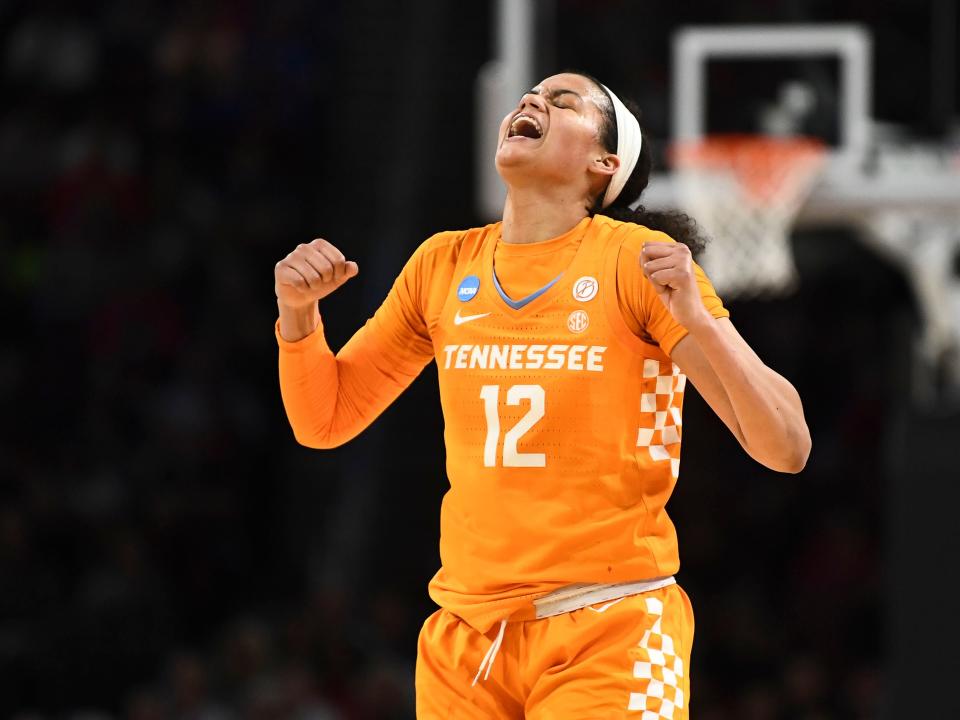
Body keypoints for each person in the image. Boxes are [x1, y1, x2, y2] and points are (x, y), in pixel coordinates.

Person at [273, 72, 810, 718]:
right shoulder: (442, 265)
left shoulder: (635, 262)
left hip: (610, 630)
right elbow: (324, 418)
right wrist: (298, 318)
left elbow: (786, 446)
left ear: (603, 162)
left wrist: (702, 325)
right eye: (529, 94)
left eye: (562, 101)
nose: (531, 101)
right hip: (466, 642)